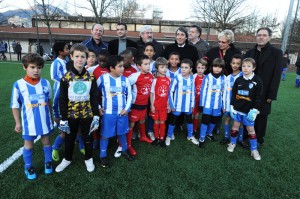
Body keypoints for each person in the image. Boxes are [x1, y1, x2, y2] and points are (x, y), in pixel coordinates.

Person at [55, 44, 99, 173]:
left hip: (87, 113)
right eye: (77, 56)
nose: (80, 59)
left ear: (86, 59)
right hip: (71, 114)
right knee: (70, 137)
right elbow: (62, 100)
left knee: (88, 137)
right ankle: (67, 159)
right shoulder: (66, 78)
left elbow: (94, 97)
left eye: (83, 57)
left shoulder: (91, 78)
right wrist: (63, 118)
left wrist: (96, 115)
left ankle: (88, 158)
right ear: (71, 57)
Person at [10, 53, 53, 180]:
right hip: (29, 123)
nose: (36, 70)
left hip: (45, 120)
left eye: (39, 67)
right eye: (32, 67)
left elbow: (49, 101)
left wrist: (51, 116)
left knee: (46, 141)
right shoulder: (18, 85)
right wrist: (17, 123)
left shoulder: (45, 83)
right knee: (29, 145)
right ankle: (28, 166)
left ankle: (48, 162)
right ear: (24, 67)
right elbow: (14, 105)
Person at [243, 27, 283, 146]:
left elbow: (276, 75)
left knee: (261, 116)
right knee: (248, 114)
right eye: (259, 35)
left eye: (264, 35)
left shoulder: (276, 53)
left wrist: (271, 94)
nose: (261, 37)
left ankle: (258, 139)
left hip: (265, 91)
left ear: (269, 37)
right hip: (249, 90)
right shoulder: (250, 52)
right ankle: (246, 137)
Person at [50, 41, 85, 162]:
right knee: (65, 132)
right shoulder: (63, 84)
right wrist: (56, 115)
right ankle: (55, 148)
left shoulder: (80, 83)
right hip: (66, 112)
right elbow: (55, 101)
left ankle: (82, 146)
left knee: (79, 128)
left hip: (78, 110)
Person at [97, 55, 134, 167]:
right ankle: (102, 155)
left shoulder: (125, 80)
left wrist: (127, 109)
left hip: (122, 113)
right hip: (108, 113)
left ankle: (125, 149)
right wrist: (99, 107)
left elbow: (130, 96)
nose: (123, 68)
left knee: (122, 132)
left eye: (123, 66)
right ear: (112, 68)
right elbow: (94, 95)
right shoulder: (103, 79)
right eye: (120, 66)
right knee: (105, 135)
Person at [227, 58, 263, 161]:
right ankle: (232, 143)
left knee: (251, 130)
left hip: (249, 111)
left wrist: (255, 110)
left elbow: (259, 97)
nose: (245, 68)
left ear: (253, 68)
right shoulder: (238, 79)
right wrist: (232, 106)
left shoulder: (258, 81)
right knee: (235, 126)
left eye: (248, 66)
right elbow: (233, 93)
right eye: (243, 66)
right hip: (237, 109)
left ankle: (254, 149)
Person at [166, 59, 198, 146]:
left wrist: (192, 105)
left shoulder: (192, 78)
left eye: (186, 68)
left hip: (188, 105)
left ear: (190, 69)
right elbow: (170, 92)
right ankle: (169, 136)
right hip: (177, 105)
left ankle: (190, 136)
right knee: (173, 121)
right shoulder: (177, 78)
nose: (183, 69)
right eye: (182, 67)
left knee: (189, 120)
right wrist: (172, 105)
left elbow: (193, 92)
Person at [127, 55, 155, 155]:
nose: (148, 66)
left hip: (145, 104)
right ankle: (128, 145)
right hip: (135, 105)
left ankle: (142, 136)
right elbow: (125, 85)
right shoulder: (134, 76)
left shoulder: (151, 75)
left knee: (143, 120)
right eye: (146, 64)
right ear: (139, 66)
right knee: (132, 124)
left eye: (149, 64)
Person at [198, 58, 225, 148]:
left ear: (222, 68)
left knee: (214, 120)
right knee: (205, 121)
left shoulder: (223, 78)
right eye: (215, 66)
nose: (217, 69)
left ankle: (209, 133)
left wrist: (223, 105)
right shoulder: (207, 77)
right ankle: (201, 138)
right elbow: (203, 91)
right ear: (212, 67)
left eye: (220, 67)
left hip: (217, 105)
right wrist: (201, 104)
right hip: (207, 104)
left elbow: (224, 93)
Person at [220, 54, 244, 145]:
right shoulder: (228, 77)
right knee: (227, 119)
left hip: (239, 104)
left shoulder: (243, 76)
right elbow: (225, 92)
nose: (235, 65)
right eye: (233, 63)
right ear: (230, 64)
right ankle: (226, 136)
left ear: (240, 65)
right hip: (228, 104)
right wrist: (224, 105)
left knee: (239, 121)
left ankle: (240, 139)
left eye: (237, 63)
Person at [150, 57, 171, 147]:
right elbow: (152, 93)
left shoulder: (169, 80)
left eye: (166, 67)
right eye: (162, 67)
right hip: (156, 105)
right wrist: (152, 105)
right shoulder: (155, 80)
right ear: (157, 68)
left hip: (164, 106)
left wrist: (168, 105)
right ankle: (156, 138)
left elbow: (169, 94)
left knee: (162, 122)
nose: (165, 69)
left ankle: (162, 138)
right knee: (156, 122)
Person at [192, 58, 207, 134]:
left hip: (201, 101)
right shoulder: (193, 77)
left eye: (202, 68)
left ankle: (195, 129)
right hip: (194, 100)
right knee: (191, 115)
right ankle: (190, 129)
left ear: (205, 69)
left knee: (197, 115)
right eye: (198, 67)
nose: (200, 70)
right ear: (196, 68)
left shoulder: (206, 78)